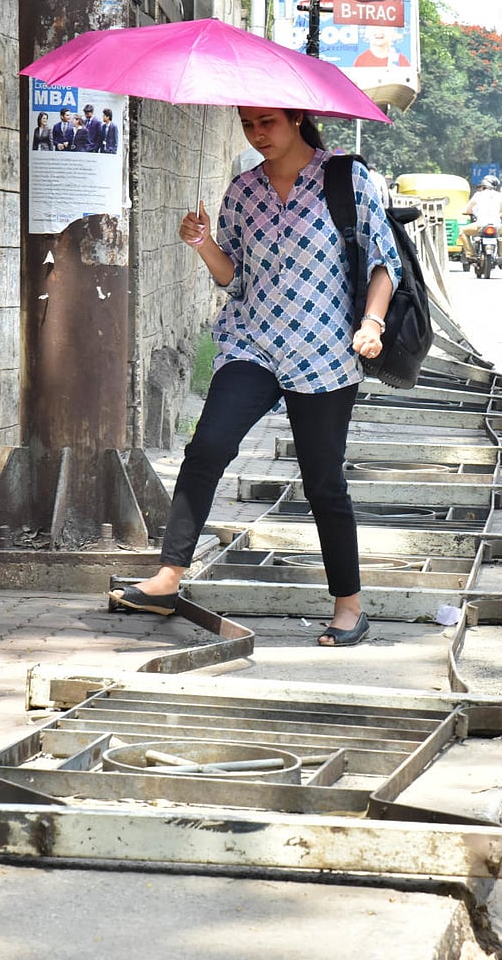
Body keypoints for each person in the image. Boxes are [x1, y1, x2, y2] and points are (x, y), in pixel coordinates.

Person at [108, 106, 402, 648]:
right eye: (248, 124)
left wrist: (372, 323)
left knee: (323, 482)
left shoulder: (346, 179)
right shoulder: (243, 191)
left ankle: (349, 606)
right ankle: (168, 578)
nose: (257, 133)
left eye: (267, 122)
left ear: (297, 119)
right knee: (207, 448)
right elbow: (235, 279)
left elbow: (384, 262)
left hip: (323, 352)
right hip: (253, 343)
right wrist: (203, 244)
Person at [461, 175, 502, 265]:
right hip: (496, 226)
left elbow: (468, 209)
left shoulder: (478, 195)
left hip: (480, 225)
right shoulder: (500, 196)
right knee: (501, 234)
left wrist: (466, 212)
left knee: (463, 231)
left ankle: (470, 254)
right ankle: (501, 256)